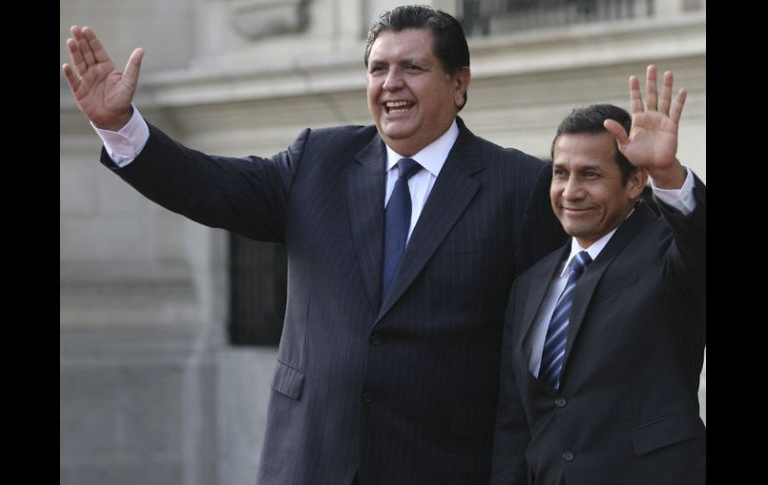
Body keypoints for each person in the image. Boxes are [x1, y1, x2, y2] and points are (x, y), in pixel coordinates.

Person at [63, 5, 566, 484]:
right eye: (378, 69)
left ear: (459, 84)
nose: (391, 83)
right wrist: (122, 127)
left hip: (443, 466)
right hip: (312, 461)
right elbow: (209, 186)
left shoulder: (520, 187)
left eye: (412, 67)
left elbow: (540, 358)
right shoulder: (318, 161)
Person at [491, 66, 706, 485]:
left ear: (635, 182)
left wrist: (668, 174)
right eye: (560, 173)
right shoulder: (529, 285)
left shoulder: (667, 251)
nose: (571, 191)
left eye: (590, 174)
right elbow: (515, 426)